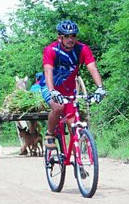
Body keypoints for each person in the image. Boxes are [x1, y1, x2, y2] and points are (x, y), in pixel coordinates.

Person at [42, 20, 106, 149]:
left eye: (73, 36)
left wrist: (100, 88)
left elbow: (92, 67)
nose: (71, 39)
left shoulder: (82, 49)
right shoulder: (51, 50)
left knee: (73, 122)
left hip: (70, 89)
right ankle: (49, 134)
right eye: (67, 36)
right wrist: (52, 90)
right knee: (59, 107)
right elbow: (48, 70)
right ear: (59, 37)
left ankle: (78, 159)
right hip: (50, 87)